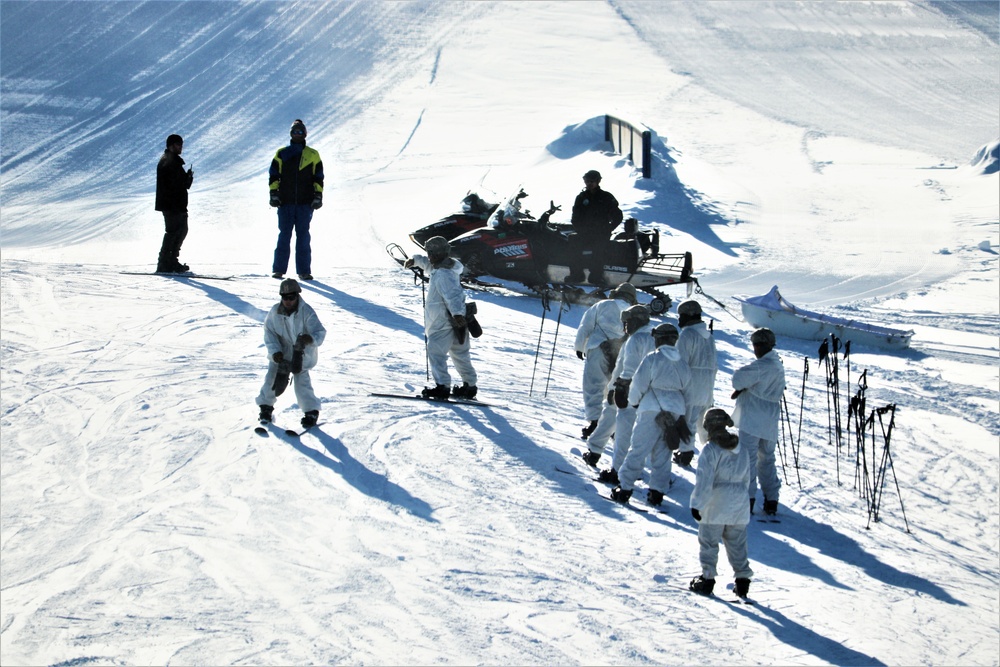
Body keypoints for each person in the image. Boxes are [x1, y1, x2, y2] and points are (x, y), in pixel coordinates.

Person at [612, 322, 691, 506]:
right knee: (663, 453)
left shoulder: (652, 358)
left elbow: (638, 384)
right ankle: (657, 492)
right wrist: (681, 415)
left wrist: (633, 401)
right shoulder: (683, 363)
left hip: (651, 409)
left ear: (659, 339)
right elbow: (689, 392)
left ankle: (624, 489)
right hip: (675, 410)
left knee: (638, 450)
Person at [688, 408, 754, 598]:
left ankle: (707, 579)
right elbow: (747, 477)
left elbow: (704, 480)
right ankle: (742, 580)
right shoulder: (742, 448)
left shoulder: (711, 450)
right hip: (739, 502)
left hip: (716, 502)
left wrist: (697, 504)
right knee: (737, 544)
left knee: (709, 542)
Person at [404, 236, 479, 400]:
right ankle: (470, 386)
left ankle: (442, 387)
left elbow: (453, 295)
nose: (428, 256)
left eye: (430, 253)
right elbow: (429, 265)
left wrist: (457, 313)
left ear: (436, 253)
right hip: (455, 323)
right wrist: (415, 260)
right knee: (460, 354)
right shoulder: (443, 268)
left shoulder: (443, 274)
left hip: (444, 323)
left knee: (436, 352)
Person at [573, 282, 637, 463]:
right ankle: (614, 427)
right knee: (614, 389)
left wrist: (580, 346)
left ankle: (594, 422)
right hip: (621, 353)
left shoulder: (601, 305)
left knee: (593, 385)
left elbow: (585, 326)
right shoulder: (634, 311)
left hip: (598, 349)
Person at [595, 304, 656, 486]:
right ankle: (634, 470)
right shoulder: (654, 337)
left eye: (627, 322)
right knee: (641, 437)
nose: (625, 327)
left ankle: (618, 471)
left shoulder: (636, 339)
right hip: (651, 395)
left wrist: (618, 388)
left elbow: (628, 368)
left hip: (632, 392)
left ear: (636, 321)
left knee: (623, 433)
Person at [256, 278, 327, 428]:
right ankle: (265, 408)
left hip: (301, 354)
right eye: (284, 297)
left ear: (297, 296)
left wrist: (310, 339)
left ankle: (311, 411)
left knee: (301, 381)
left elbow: (320, 332)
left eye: (291, 298)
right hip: (281, 353)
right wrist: (275, 351)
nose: (288, 301)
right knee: (271, 377)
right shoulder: (275, 312)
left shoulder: (306, 312)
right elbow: (269, 332)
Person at [732, 328, 786, 515]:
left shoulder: (761, 366)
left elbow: (738, 379)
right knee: (767, 458)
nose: (755, 349)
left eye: (757, 344)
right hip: (769, 418)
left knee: (748, 458)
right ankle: (772, 499)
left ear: (764, 345)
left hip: (753, 417)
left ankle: (748, 499)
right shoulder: (777, 364)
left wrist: (743, 387)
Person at [269, 119, 324, 281]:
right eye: (294, 132)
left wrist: (318, 196)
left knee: (303, 236)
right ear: (290, 134)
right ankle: (278, 270)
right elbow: (274, 175)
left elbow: (318, 177)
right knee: (284, 235)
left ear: (305, 134)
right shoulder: (282, 153)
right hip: (285, 202)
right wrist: (274, 194)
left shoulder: (313, 155)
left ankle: (304, 271)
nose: (297, 134)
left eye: (300, 132)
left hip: (304, 204)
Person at [674, 299, 718, 467]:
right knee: (704, 425)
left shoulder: (687, 335)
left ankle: (685, 453)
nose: (679, 320)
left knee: (688, 422)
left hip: (691, 386)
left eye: (681, 316)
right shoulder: (708, 336)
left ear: (688, 316)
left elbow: (680, 363)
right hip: (707, 387)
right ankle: (713, 457)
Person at [566, 170, 623, 285]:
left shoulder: (606, 197)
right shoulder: (581, 197)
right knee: (572, 242)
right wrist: (580, 229)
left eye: (592, 181)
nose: (589, 183)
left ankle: (596, 276)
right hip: (584, 232)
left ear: (598, 181)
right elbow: (575, 217)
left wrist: (609, 229)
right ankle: (577, 274)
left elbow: (618, 216)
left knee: (598, 251)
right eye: (587, 181)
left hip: (601, 233)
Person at [155, 133, 194, 273]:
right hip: (172, 205)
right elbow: (174, 184)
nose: (180, 147)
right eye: (178, 144)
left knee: (181, 231)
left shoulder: (174, 161)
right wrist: (186, 179)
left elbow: (182, 184)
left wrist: (188, 178)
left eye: (181, 144)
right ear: (171, 146)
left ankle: (171, 261)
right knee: (173, 232)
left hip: (178, 205)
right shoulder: (168, 161)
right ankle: (164, 263)